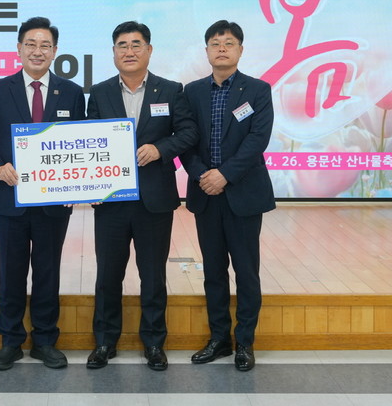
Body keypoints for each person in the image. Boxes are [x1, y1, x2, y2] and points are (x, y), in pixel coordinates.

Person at [0, 16, 86, 371]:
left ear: (55, 51)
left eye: (45, 45)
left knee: (48, 272)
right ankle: (10, 341)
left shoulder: (71, 92)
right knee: (11, 272)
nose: (38, 51)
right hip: (11, 198)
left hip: (54, 202)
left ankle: (45, 340)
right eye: (31, 44)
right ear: (19, 48)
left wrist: (77, 183)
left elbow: (80, 144)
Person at [85, 21, 197, 371]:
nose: (129, 51)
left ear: (149, 50)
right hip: (111, 200)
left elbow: (188, 132)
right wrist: (90, 185)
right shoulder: (99, 93)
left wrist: (160, 149)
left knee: (153, 276)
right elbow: (88, 141)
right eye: (122, 45)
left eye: (136, 44)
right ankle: (105, 342)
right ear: (113, 52)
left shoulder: (171, 90)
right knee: (108, 276)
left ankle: (154, 343)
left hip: (154, 199)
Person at [181, 20, 275, 372]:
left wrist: (225, 175)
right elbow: (185, 139)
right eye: (215, 43)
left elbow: (257, 140)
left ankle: (245, 342)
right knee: (213, 272)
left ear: (240, 50)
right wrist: (201, 175)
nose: (222, 48)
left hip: (243, 194)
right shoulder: (191, 92)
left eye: (229, 43)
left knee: (246, 272)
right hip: (206, 193)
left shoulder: (258, 90)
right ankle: (219, 338)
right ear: (206, 51)